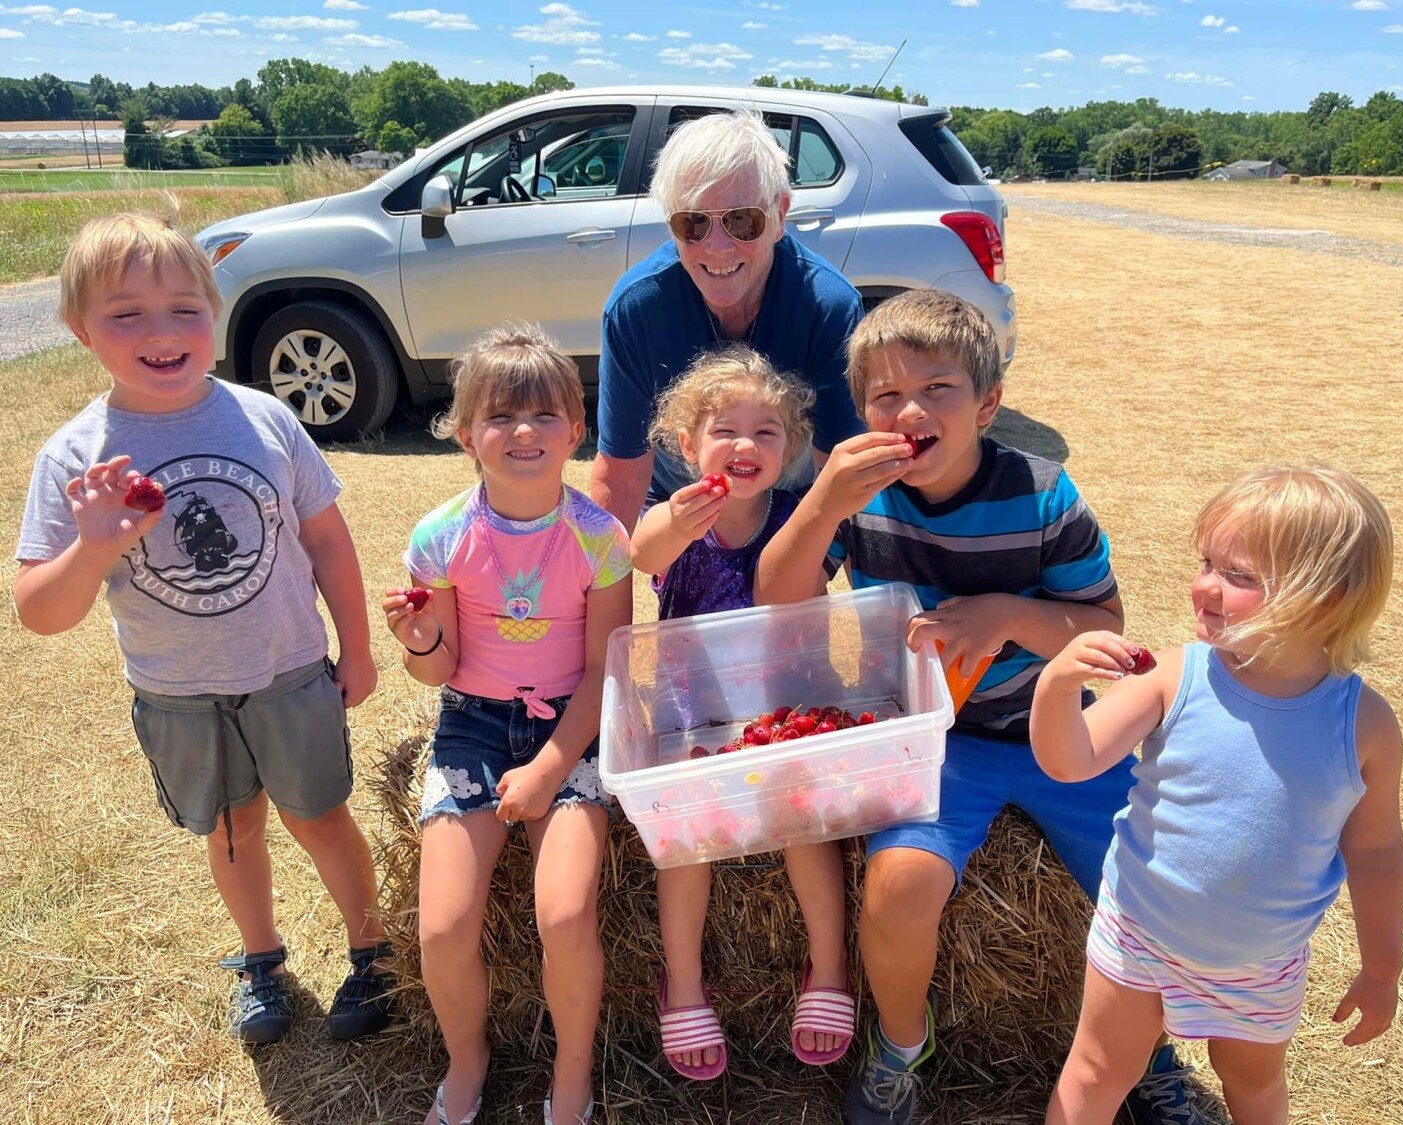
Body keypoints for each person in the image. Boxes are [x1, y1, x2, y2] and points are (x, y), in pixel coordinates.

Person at [756, 288, 1205, 1125]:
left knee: (1145, 884)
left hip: (1055, 730)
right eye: (886, 395)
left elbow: (1105, 625)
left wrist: (1005, 614)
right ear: (861, 412)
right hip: (932, 739)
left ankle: (1149, 1051)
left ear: (987, 404)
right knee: (897, 886)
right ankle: (899, 1046)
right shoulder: (855, 496)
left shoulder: (1042, 493)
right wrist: (820, 504)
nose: (911, 409)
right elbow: (778, 601)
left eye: (939, 389)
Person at [14, 209, 393, 1046]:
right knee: (234, 825)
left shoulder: (264, 418)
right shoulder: (78, 457)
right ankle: (262, 960)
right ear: (81, 330)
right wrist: (92, 546)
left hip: (290, 668)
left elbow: (326, 537)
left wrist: (357, 648)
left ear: (215, 312)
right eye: (127, 314)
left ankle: (373, 949)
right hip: (178, 693)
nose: (163, 331)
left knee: (321, 815)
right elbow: (40, 611)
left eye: (185, 307)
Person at [1030, 465, 1403, 1125]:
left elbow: (1377, 851)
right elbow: (1070, 760)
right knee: (1096, 1071)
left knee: (1254, 1087)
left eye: (1237, 576)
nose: (1203, 584)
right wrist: (1056, 686)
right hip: (1141, 931)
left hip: (1259, 960)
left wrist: (1382, 969)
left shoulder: (1364, 724)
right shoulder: (1176, 676)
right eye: (1207, 561)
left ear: (1327, 597)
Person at [385, 326, 633, 1125]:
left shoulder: (601, 538)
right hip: (472, 728)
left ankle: (571, 1074)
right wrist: (419, 638)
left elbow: (603, 674)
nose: (523, 431)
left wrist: (552, 769)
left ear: (575, 429)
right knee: (443, 928)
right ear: (466, 435)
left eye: (543, 413)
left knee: (564, 911)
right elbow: (436, 668)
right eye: (500, 415)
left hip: (574, 723)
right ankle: (469, 1060)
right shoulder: (439, 537)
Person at [631, 344, 855, 1080]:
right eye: (725, 429)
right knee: (685, 836)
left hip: (785, 708)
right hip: (695, 714)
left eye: (767, 431)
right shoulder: (677, 521)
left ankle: (827, 968)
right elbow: (640, 552)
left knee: (805, 824)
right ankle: (685, 983)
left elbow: (806, 578)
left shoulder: (799, 518)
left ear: (789, 449)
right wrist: (677, 519)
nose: (746, 444)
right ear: (686, 444)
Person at [589, 110, 864, 533]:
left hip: (786, 481)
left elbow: (839, 477)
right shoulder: (637, 307)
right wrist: (598, 592)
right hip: (679, 483)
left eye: (742, 220)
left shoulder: (828, 305)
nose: (717, 248)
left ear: (780, 216)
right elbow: (621, 473)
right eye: (692, 222)